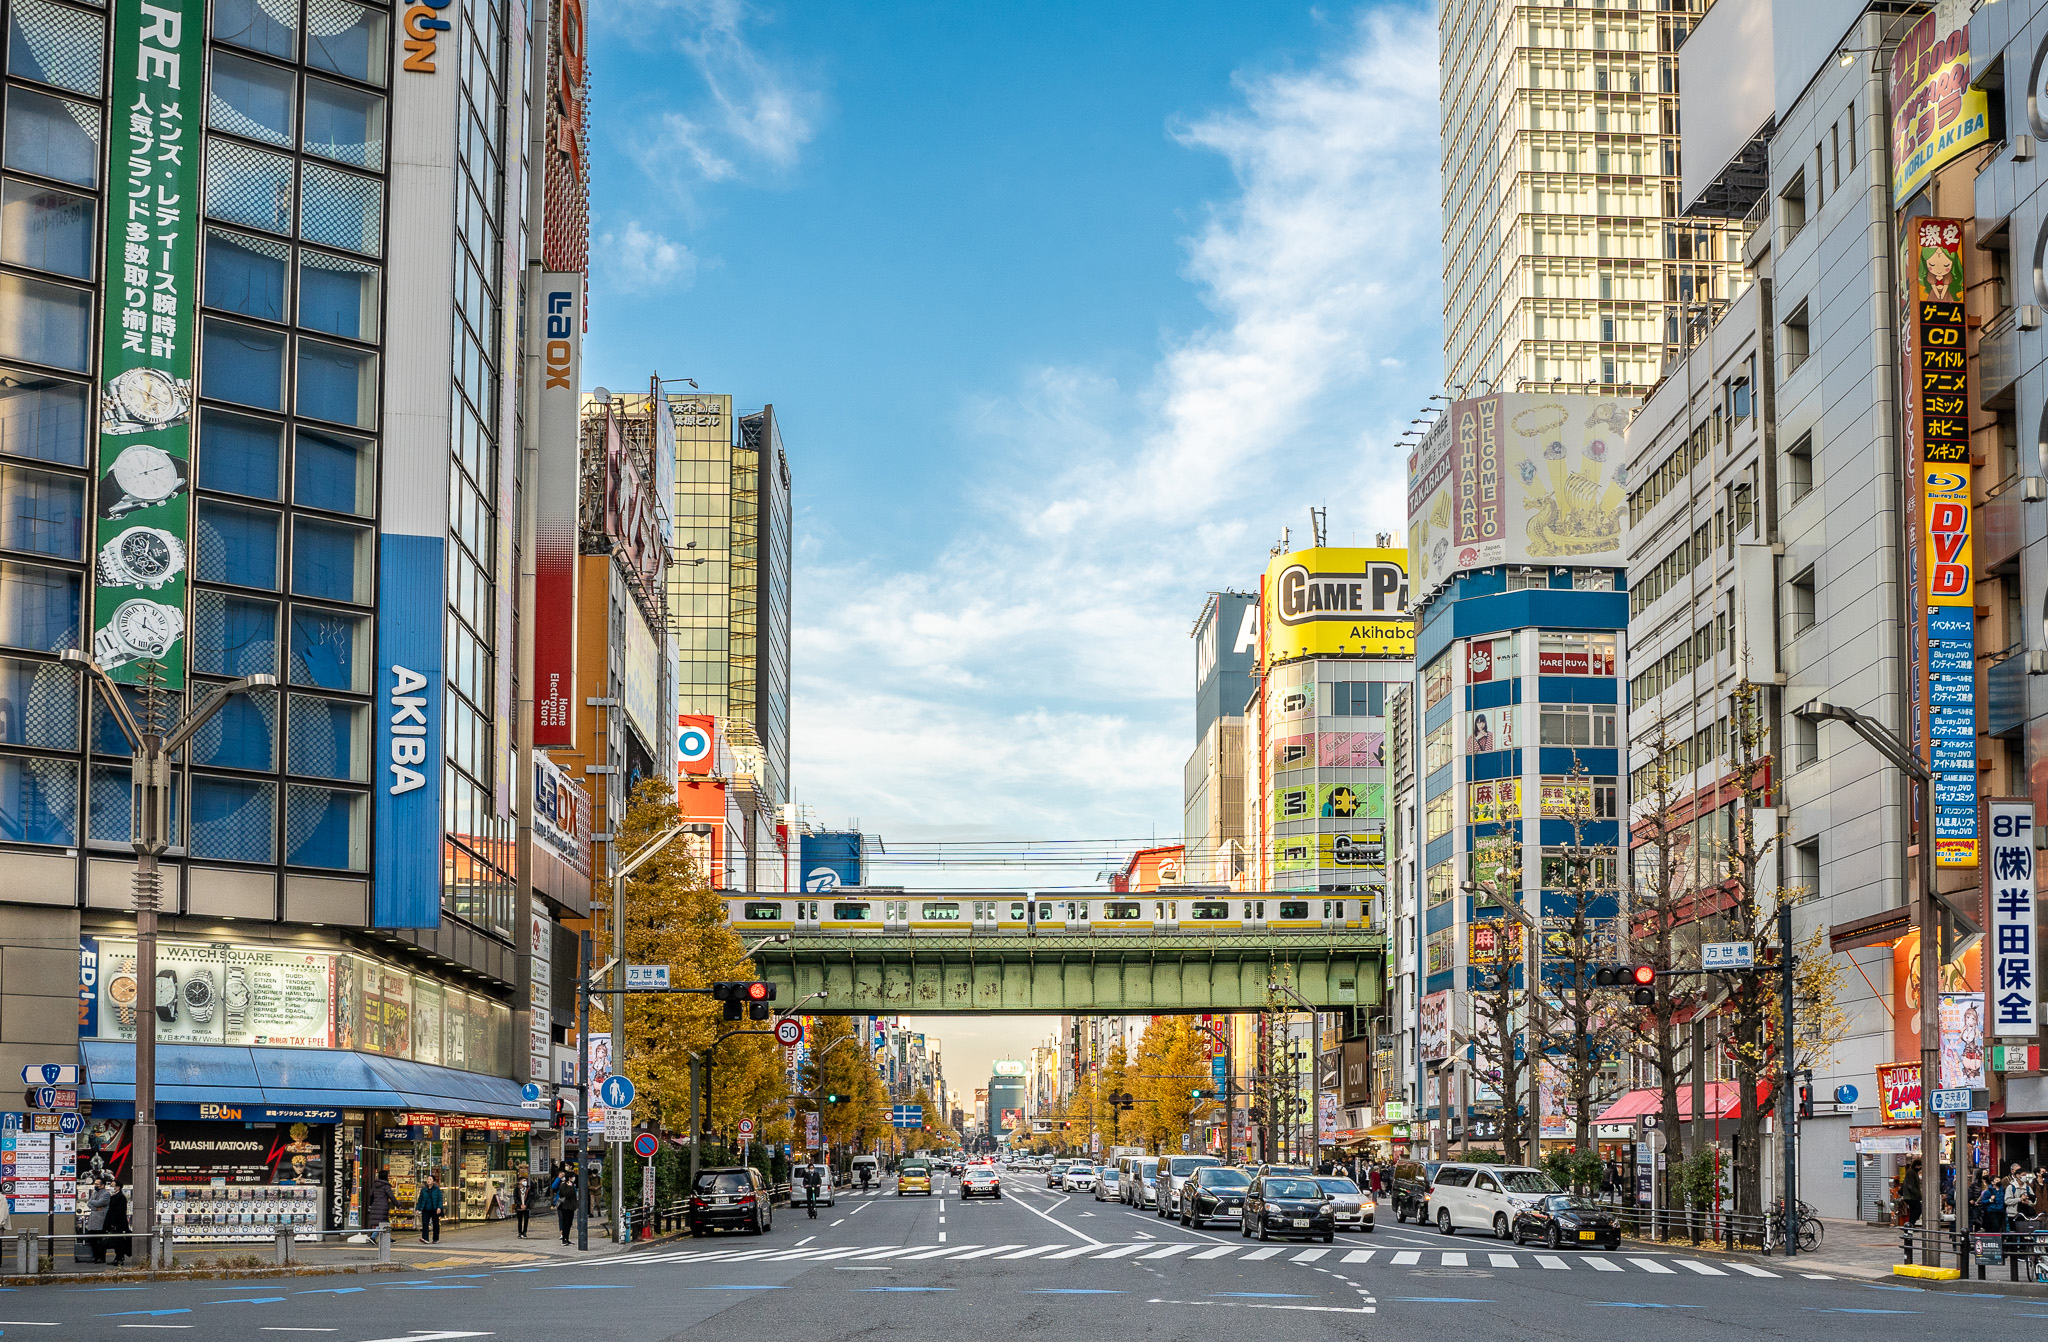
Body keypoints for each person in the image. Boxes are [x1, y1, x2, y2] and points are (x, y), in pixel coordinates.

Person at [82, 1177, 111, 1263]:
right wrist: (96, 1208)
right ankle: (95, 1256)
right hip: (93, 1219)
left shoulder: (106, 1194)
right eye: (95, 1184)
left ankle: (101, 1257)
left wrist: (94, 1203)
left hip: (101, 1220)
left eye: (97, 1184)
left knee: (101, 1240)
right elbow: (89, 1203)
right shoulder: (95, 1192)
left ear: (102, 1185)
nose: (95, 1186)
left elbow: (99, 1203)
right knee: (93, 1240)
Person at [102, 1184, 131, 1266]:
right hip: (114, 1223)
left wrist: (113, 1223)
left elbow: (119, 1212)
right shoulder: (114, 1196)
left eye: (112, 1185)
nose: (111, 1187)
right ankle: (117, 1258)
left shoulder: (121, 1197)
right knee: (116, 1242)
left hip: (119, 1223)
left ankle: (120, 1258)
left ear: (118, 1187)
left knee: (119, 1242)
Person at [552, 1165, 576, 1245]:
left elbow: (574, 1195)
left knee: (569, 1223)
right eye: (572, 1177)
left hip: (571, 1207)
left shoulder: (572, 1185)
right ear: (569, 1178)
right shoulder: (563, 1185)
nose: (573, 1178)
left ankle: (567, 1238)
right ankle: (564, 1239)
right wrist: (569, 1187)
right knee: (565, 1222)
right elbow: (567, 1195)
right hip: (565, 1206)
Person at [417, 1174, 444, 1243]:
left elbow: (440, 1199)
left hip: (434, 1209)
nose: (428, 1181)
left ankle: (435, 1239)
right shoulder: (423, 1190)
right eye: (428, 1179)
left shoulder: (437, 1189)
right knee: (425, 1223)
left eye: (430, 1179)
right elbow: (420, 1200)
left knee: (435, 1224)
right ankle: (425, 1238)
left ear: (433, 1181)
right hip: (426, 1209)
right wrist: (418, 1209)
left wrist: (439, 1207)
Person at [512, 1167, 536, 1239]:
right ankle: (519, 1232)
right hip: (519, 1207)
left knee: (526, 1220)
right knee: (519, 1220)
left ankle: (524, 1232)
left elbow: (530, 1198)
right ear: (520, 1182)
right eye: (523, 1180)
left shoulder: (528, 1189)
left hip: (526, 1207)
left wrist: (526, 1205)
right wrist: (520, 1205)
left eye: (526, 1180)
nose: (525, 1182)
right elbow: (515, 1198)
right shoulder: (516, 1189)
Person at [1899, 1159, 1923, 1228]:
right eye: (1919, 1166)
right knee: (1918, 1208)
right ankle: (1911, 1223)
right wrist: (1918, 1194)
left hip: (1912, 1196)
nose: (1919, 1168)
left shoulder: (1913, 1172)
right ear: (1916, 1166)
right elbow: (1910, 1185)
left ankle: (1911, 1224)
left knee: (1913, 1210)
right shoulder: (1911, 1172)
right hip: (1911, 1196)